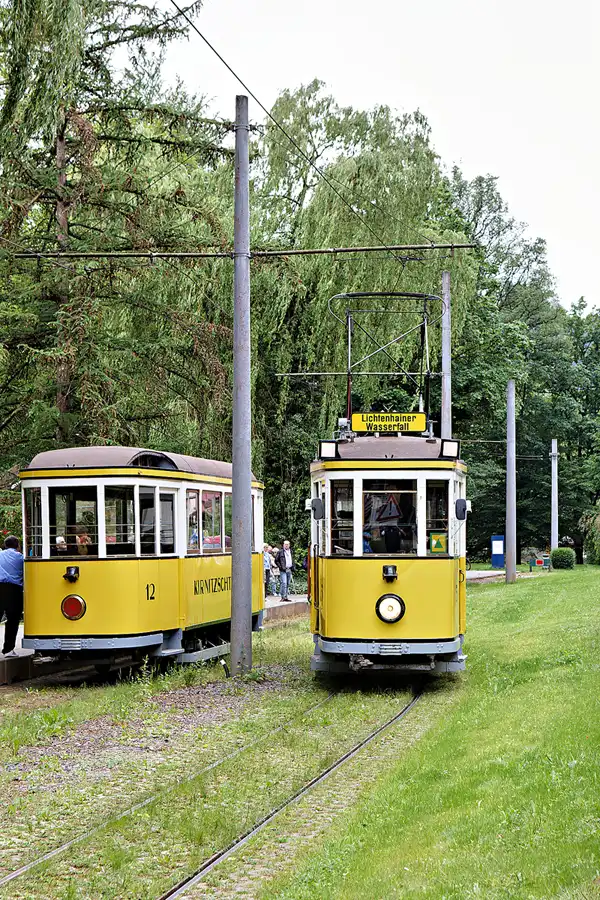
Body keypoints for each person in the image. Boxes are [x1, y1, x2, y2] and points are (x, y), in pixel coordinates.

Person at [0, 535, 24, 657]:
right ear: (18, 546)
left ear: (5, 545)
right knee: (12, 620)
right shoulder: (21, 558)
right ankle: (8, 650)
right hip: (14, 590)